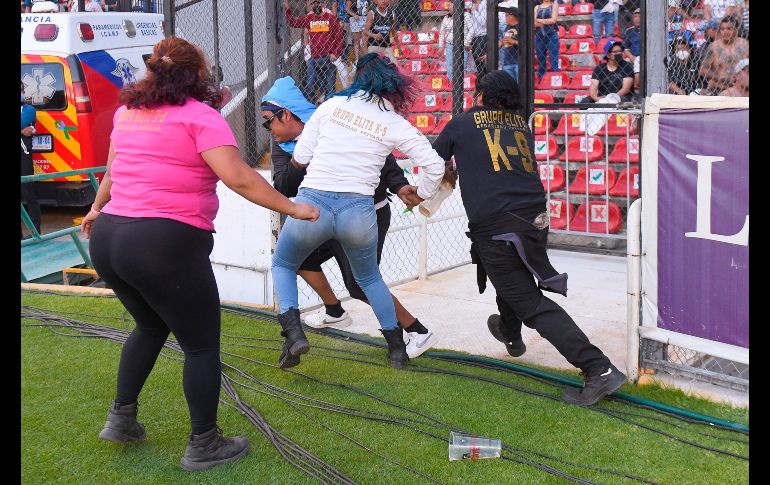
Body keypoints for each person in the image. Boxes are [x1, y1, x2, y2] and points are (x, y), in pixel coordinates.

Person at [78, 37, 319, 472]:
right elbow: (238, 177)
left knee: (150, 325)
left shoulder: (128, 112)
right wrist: (294, 208)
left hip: (110, 238)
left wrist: (96, 209)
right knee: (201, 345)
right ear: (198, 75)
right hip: (162, 242)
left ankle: (121, 418)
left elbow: (113, 171)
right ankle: (204, 443)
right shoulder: (200, 117)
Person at [431, 70, 627, 406]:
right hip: (534, 219)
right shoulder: (520, 124)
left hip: (498, 225)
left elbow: (432, 161)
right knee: (511, 279)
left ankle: (598, 368)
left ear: (482, 96)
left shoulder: (463, 122)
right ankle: (510, 332)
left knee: (529, 302)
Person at [271, 53, 446, 370]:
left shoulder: (330, 106)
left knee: (284, 263)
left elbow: (302, 158)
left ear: (358, 79)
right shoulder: (393, 121)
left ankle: (294, 333)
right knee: (369, 279)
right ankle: (397, 350)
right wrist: (421, 193)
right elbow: (435, 165)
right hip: (360, 210)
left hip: (315, 202)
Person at [285, 0, 345, 104]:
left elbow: (339, 37)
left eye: (318, 3)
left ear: (323, 4)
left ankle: (329, 106)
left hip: (329, 58)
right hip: (314, 58)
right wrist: (287, 9)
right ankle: (309, 106)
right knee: (310, 84)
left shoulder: (331, 18)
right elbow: (293, 22)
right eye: (313, 3)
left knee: (330, 87)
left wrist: (336, 53)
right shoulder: (309, 18)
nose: (316, 5)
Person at [698, 15, 748, 95]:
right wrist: (722, 79)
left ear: (736, 30)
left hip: (742, 89)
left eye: (729, 29)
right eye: (722, 29)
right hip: (721, 88)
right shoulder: (714, 47)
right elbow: (703, 70)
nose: (725, 32)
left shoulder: (745, 45)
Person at [21, 80, 41, 239]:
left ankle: (35, 233)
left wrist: (29, 128)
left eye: (22, 89)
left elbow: (25, 122)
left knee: (29, 195)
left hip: (24, 158)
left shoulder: (28, 109)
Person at [438, 2, 474, 75]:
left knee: (461, 68)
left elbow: (472, 30)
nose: (448, 7)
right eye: (448, 5)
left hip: (462, 45)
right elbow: (442, 32)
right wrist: (441, 46)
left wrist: (466, 43)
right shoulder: (446, 17)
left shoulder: (466, 15)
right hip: (449, 45)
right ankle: (451, 82)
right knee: (450, 69)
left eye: (450, 5)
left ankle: (460, 82)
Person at [534, 0, 559, 82]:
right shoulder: (537, 7)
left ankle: (555, 80)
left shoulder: (554, 5)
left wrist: (539, 20)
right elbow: (534, 23)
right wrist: (546, 21)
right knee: (541, 59)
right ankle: (542, 80)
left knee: (554, 59)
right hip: (539, 36)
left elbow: (553, 20)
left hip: (551, 35)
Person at [498, 7, 520, 81]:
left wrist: (513, 41)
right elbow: (502, 41)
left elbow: (527, 44)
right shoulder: (507, 27)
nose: (505, 18)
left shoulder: (522, 27)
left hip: (519, 62)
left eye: (506, 15)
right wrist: (489, 53)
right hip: (507, 62)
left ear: (512, 16)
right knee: (510, 85)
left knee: (520, 84)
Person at [469, 0, 488, 76]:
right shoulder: (472, 4)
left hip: (482, 35)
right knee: (477, 61)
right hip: (474, 36)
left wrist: (474, 11)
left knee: (479, 58)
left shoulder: (484, 3)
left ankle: (485, 78)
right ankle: (481, 78)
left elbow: (483, 22)